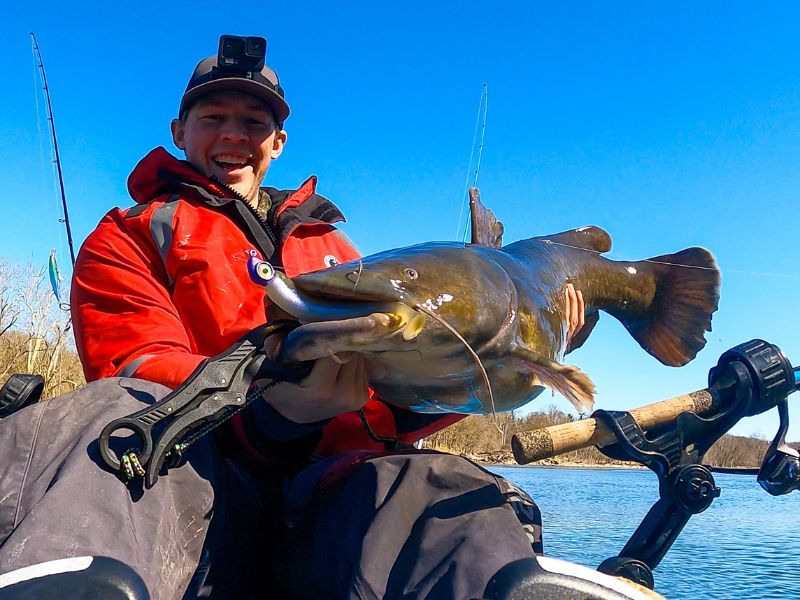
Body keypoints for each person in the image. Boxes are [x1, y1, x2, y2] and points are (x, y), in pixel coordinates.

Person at [0, 36, 585, 600]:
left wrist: (470, 367)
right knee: (115, 415)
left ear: (277, 142)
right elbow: (138, 363)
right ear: (179, 132)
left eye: (254, 124)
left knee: (436, 482)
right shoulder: (125, 235)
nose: (234, 135)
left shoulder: (334, 248)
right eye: (213, 117)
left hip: (328, 491)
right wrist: (268, 398)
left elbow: (384, 409)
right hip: (193, 477)